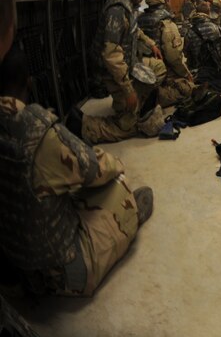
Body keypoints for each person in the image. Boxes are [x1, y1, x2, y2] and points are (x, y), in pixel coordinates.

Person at [0, 46, 152, 296]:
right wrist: (116, 165)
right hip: (60, 271)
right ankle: (132, 216)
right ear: (29, 83)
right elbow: (96, 169)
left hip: (11, 259)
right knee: (117, 189)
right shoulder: (35, 131)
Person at [76, 0, 166, 144]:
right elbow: (111, 55)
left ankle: (125, 104)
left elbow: (134, 29)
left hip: (127, 64)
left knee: (156, 74)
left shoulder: (127, 4)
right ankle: (83, 125)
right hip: (112, 71)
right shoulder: (117, 8)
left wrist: (150, 43)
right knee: (129, 125)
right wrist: (128, 89)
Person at [137, 0, 194, 107]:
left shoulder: (140, 18)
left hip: (139, 66)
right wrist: (186, 74)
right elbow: (173, 56)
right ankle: (152, 98)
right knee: (189, 88)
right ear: (167, 1)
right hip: (159, 69)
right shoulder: (165, 21)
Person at [184, 0, 221, 90]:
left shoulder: (189, 31)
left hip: (196, 70)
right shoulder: (215, 28)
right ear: (208, 12)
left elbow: (186, 54)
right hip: (214, 68)